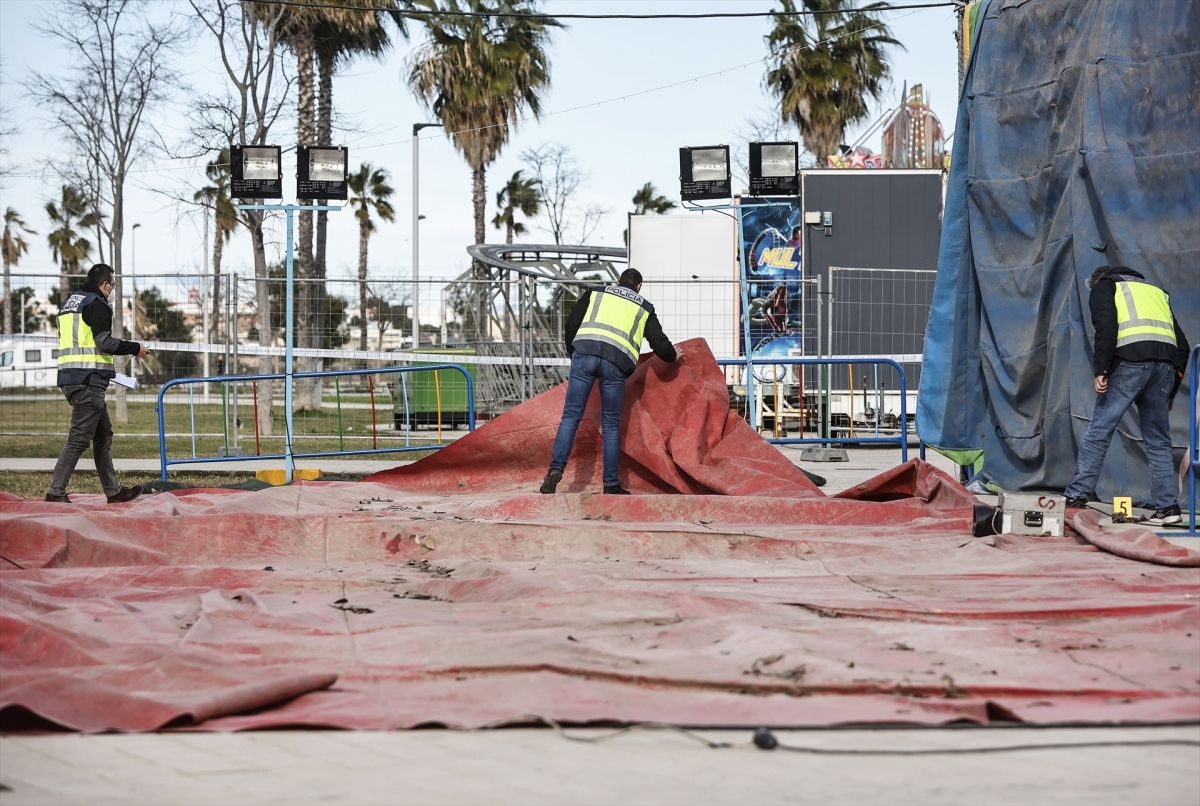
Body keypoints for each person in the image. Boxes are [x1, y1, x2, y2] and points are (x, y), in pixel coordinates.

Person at [1064, 266, 1190, 524]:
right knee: (1158, 440)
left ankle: (1078, 495)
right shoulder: (1156, 292)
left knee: (1100, 430)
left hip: (1130, 364)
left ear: (1097, 279)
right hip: (1165, 368)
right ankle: (1168, 508)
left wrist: (1101, 369)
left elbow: (1106, 327)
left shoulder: (1105, 286)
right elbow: (1183, 345)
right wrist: (1172, 388)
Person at [540, 268, 677, 495]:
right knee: (611, 424)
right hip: (616, 365)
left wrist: (573, 353)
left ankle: (555, 470)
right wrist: (674, 356)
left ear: (617, 281)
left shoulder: (595, 293)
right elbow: (660, 345)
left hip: (584, 355)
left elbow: (571, 324)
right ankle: (611, 483)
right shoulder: (644, 308)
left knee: (571, 415)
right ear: (639, 286)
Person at [45, 263, 150, 504]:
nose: (112, 289)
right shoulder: (97, 304)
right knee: (79, 439)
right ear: (104, 284)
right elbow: (104, 343)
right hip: (87, 381)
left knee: (102, 435)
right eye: (112, 285)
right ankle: (55, 492)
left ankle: (114, 492)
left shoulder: (71, 303)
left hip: (71, 378)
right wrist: (135, 348)